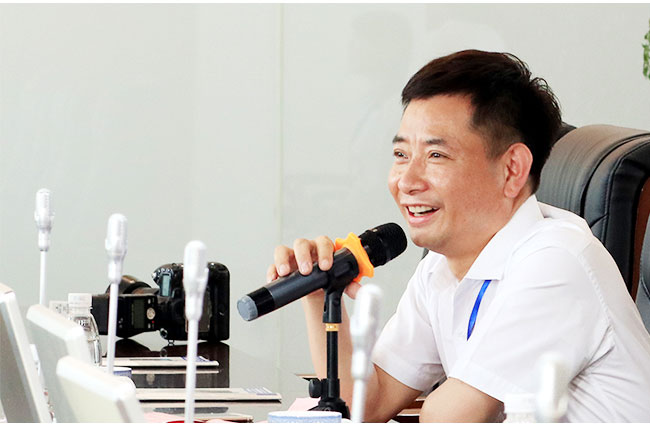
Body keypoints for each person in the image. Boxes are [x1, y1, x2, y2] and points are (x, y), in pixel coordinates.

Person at [266, 50, 650, 422]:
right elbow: (366, 404)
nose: (407, 181)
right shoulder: (441, 265)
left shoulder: (557, 261)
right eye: (401, 155)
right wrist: (318, 290)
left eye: (436, 156)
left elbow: (447, 418)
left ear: (512, 169)